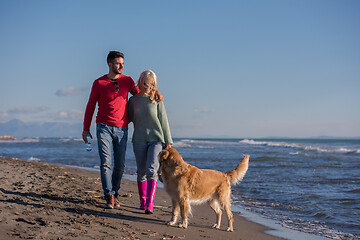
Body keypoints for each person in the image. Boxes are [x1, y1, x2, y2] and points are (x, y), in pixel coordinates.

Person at [82, 51, 162, 209]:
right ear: (110, 64)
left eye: (123, 64)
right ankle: (108, 195)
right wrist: (86, 129)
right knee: (106, 163)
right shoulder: (98, 83)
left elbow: (142, 95)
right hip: (103, 126)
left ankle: (115, 192)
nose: (121, 66)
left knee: (120, 165)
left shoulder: (127, 81)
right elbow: (90, 106)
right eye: (118, 64)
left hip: (122, 128)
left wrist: (156, 91)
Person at [128, 70, 173, 214]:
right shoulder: (133, 100)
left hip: (156, 140)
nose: (147, 87)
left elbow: (163, 120)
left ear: (154, 85)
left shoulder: (157, 99)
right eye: (145, 83)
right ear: (140, 82)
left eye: (151, 84)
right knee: (141, 171)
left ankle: (150, 204)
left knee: (151, 170)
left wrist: (168, 141)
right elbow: (126, 118)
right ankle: (142, 200)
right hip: (139, 139)